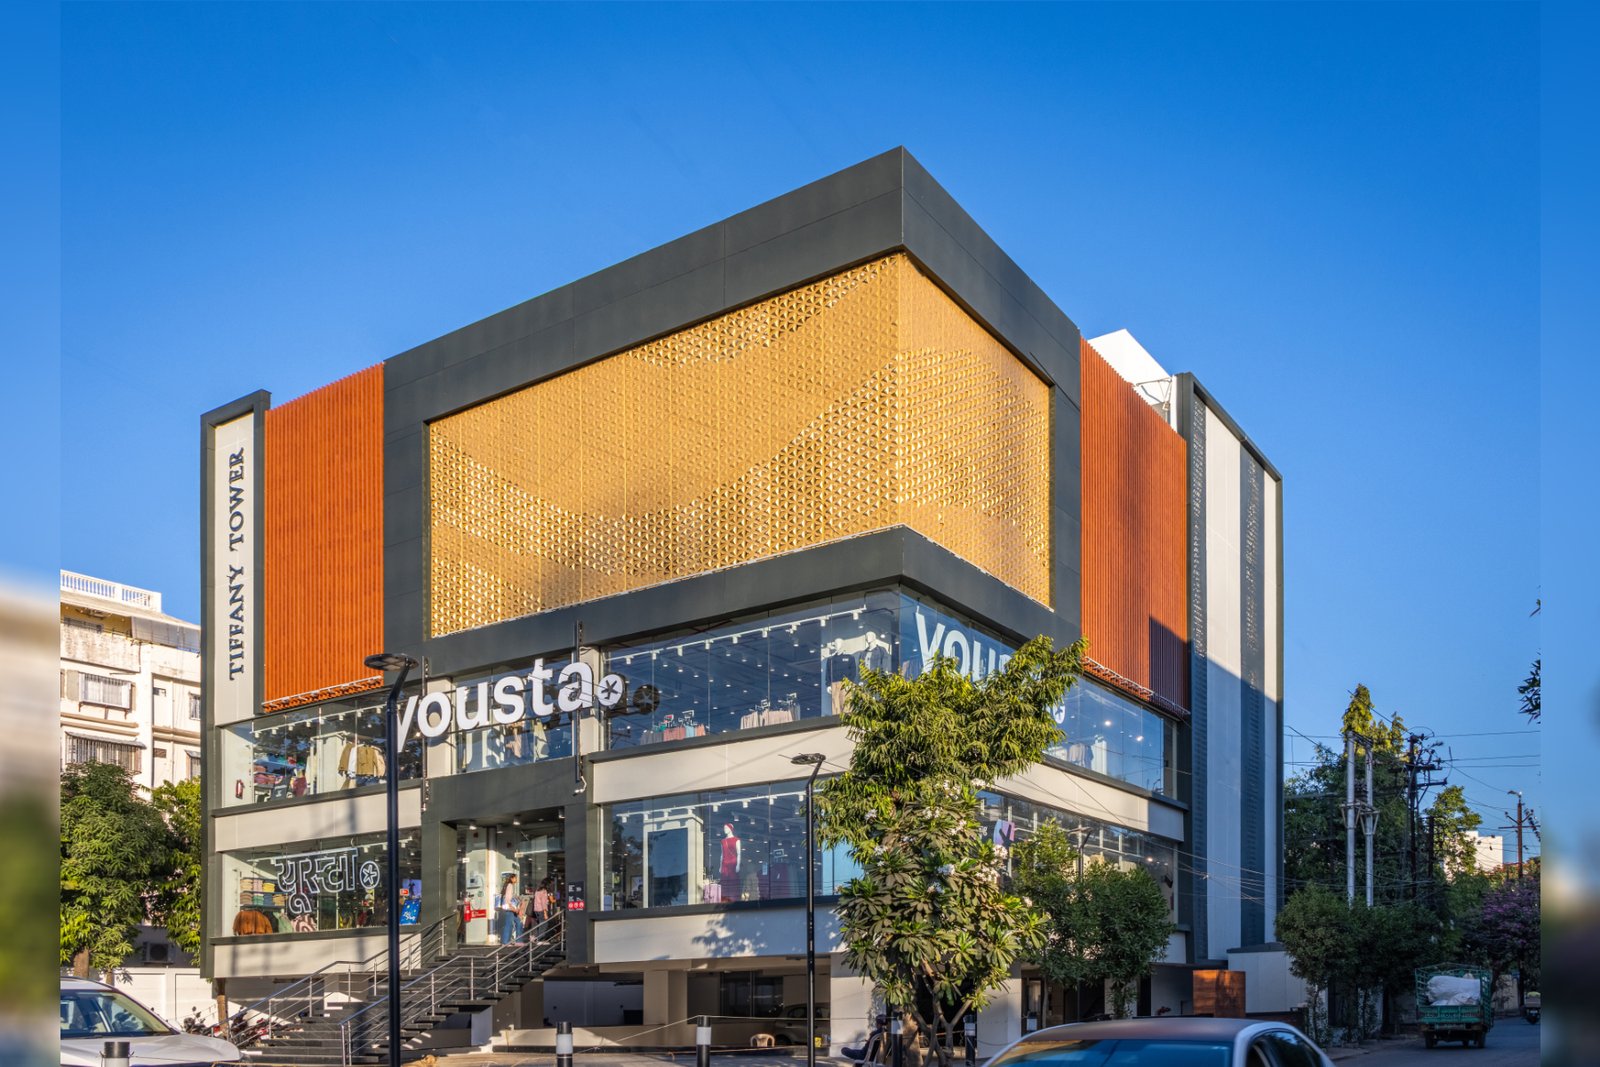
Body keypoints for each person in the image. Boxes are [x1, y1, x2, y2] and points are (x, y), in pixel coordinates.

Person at [498, 872, 522, 944]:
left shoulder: (507, 885)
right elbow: (508, 899)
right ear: (511, 878)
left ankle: (518, 940)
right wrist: (513, 908)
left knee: (518, 922)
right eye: (515, 878)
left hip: (509, 908)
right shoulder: (510, 885)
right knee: (508, 924)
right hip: (510, 908)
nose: (516, 879)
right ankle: (505, 942)